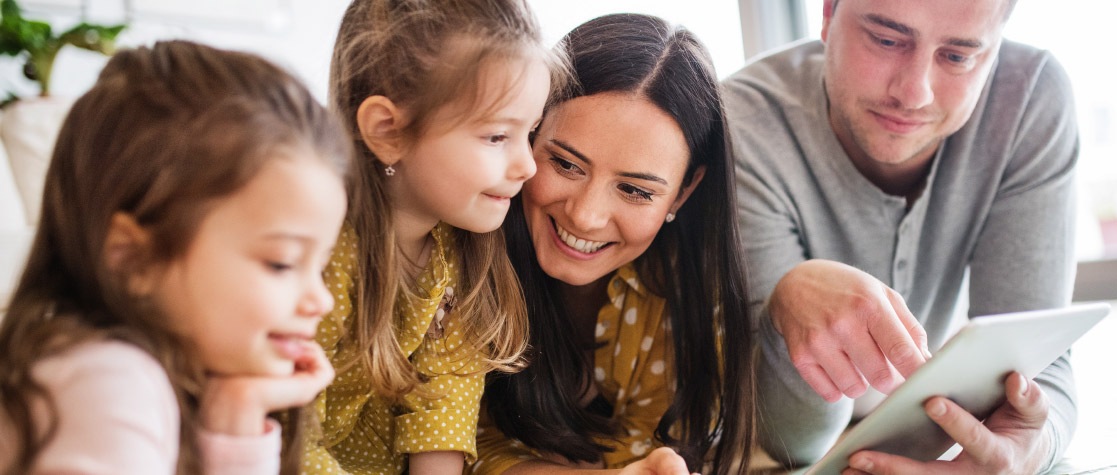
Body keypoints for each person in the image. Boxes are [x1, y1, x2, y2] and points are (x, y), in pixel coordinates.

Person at [724, 0, 1079, 472]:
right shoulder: (739, 125)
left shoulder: (1031, 97)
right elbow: (787, 438)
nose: (914, 93)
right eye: (888, 40)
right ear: (828, 14)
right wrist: (788, 304)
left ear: (993, 52)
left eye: (957, 57)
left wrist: (1028, 446)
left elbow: (1042, 364)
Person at [0, 40, 348, 474]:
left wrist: (237, 414)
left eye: (321, 266)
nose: (321, 300)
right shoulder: (111, 385)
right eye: (281, 263)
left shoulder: (153, 373)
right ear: (132, 257)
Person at [474, 13, 755, 475]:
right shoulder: (461, 259)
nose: (585, 215)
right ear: (529, 134)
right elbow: (457, 445)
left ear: (684, 192)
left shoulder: (692, 294)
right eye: (565, 164)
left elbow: (659, 454)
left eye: (635, 190)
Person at [302, 0, 566, 473]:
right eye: (496, 137)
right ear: (388, 131)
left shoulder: (460, 245)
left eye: (530, 132)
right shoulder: (318, 255)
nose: (527, 165)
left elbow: (444, 404)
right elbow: (288, 435)